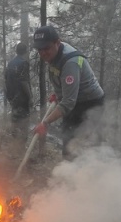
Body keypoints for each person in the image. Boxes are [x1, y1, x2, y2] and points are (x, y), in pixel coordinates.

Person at [32, 26, 105, 160]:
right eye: (39, 49)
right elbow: (61, 79)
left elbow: (68, 102)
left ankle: (86, 175)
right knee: (68, 139)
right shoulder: (54, 54)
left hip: (90, 104)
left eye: (46, 48)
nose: (43, 53)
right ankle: (68, 173)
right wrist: (58, 93)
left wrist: (45, 123)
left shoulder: (71, 62)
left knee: (84, 144)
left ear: (57, 43)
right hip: (74, 101)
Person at [4, 42, 34, 154]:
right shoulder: (24, 63)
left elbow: (6, 79)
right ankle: (21, 148)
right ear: (26, 51)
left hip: (13, 98)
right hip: (22, 98)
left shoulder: (11, 63)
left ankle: (14, 145)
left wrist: (9, 96)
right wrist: (30, 97)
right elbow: (24, 81)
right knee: (24, 123)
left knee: (15, 120)